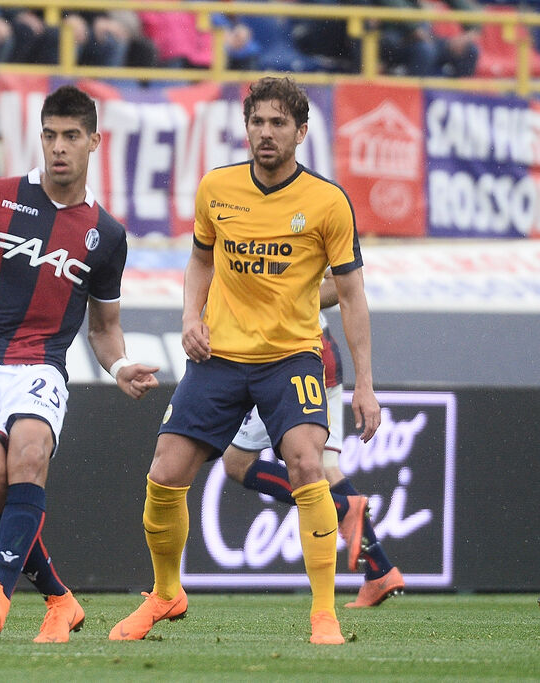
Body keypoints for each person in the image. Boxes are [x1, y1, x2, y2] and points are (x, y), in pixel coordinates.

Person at [109, 76, 381, 646]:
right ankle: (165, 594)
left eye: (278, 123)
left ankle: (324, 615)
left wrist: (364, 385)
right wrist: (190, 317)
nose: (265, 133)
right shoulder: (217, 188)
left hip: (292, 357)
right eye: (257, 122)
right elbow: (200, 261)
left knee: (308, 464)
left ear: (301, 132)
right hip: (221, 357)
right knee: (165, 472)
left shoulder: (328, 202)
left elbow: (353, 295)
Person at [0, 85, 159, 643]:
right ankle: (60, 601)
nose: (59, 148)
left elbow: (104, 329)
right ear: (39, 139)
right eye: (50, 136)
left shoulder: (107, 236)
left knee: (28, 453)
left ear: (95, 141)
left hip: (38, 366)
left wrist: (119, 370)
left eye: (71, 136)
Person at [221, 274, 404, 608]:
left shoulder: (296, 225)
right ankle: (379, 570)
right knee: (325, 469)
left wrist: (282, 303)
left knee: (236, 462)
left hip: (289, 356)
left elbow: (343, 284)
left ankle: (341, 509)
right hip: (310, 351)